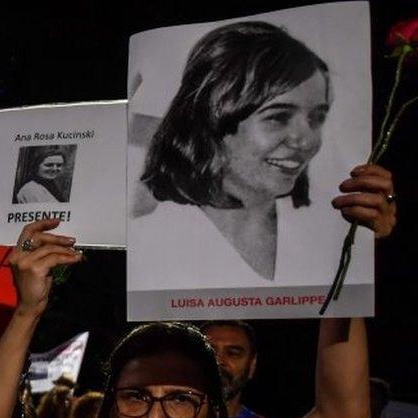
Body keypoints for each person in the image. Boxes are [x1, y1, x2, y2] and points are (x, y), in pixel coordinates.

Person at [0, 156, 395, 418]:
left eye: (181, 398)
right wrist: (27, 311)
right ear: (110, 413)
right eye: (136, 396)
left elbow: (342, 415)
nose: (155, 416)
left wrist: (350, 264)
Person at [131, 22, 344, 285]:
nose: (307, 139)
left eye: (316, 117)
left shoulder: (326, 237)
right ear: (212, 119)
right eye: (278, 117)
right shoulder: (148, 244)